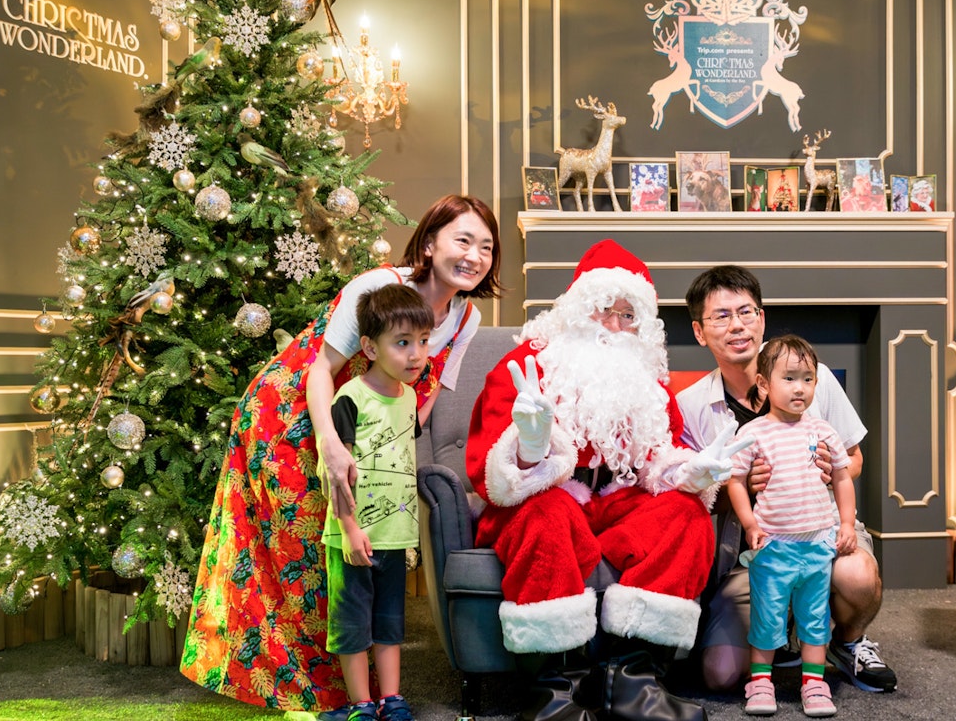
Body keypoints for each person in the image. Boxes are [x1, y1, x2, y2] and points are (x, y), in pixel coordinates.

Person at [181, 194, 502, 714]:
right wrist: (330, 443)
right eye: (463, 240)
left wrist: (391, 447)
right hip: (292, 415)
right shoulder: (377, 287)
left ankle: (355, 693)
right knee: (302, 550)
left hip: (363, 428)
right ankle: (316, 691)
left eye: (486, 247)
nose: (475, 256)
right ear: (429, 243)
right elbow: (321, 369)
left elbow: (432, 390)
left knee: (338, 556)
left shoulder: (466, 316)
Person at [465, 240, 752, 721]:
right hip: (547, 494)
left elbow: (657, 456)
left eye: (628, 316)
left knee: (686, 514)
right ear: (578, 310)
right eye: (604, 311)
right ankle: (554, 692)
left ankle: (635, 683)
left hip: (617, 499)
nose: (615, 327)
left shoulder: (645, 379)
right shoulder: (529, 366)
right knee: (545, 515)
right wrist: (530, 446)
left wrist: (687, 473)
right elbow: (490, 472)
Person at [675, 265, 897, 696]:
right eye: (721, 316)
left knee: (857, 576)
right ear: (700, 332)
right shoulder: (690, 407)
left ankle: (847, 642)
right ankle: (786, 627)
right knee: (720, 674)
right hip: (755, 552)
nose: (737, 325)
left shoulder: (815, 376)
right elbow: (690, 496)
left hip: (821, 533)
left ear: (762, 318)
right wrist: (740, 486)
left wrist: (826, 471)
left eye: (746, 312)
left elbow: (854, 458)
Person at [318, 284, 434, 721]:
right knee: (352, 626)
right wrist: (349, 530)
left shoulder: (410, 398)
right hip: (353, 537)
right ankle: (361, 705)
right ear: (370, 347)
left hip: (394, 536)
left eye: (423, 341)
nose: (416, 354)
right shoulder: (350, 398)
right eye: (402, 343)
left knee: (389, 624)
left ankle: (392, 698)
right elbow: (337, 475)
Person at [727, 335, 857, 717]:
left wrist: (846, 523)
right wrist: (750, 523)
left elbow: (842, 476)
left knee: (815, 619)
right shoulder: (753, 433)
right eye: (789, 378)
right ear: (764, 384)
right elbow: (736, 481)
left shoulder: (823, 431)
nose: (800, 388)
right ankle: (760, 682)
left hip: (817, 545)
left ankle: (814, 684)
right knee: (767, 617)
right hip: (773, 548)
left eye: (808, 379)